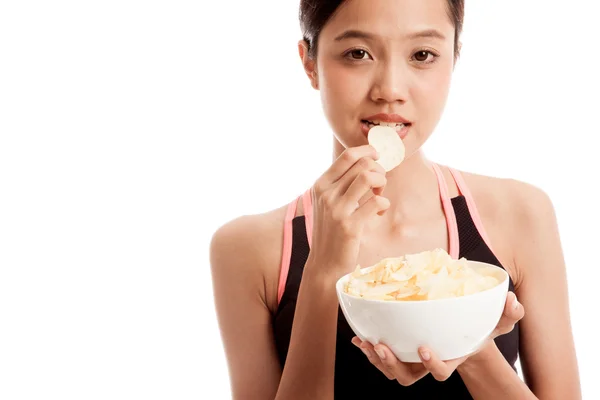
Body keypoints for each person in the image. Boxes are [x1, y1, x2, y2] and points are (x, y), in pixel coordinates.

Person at [209, 0, 581, 398]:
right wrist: (323, 271)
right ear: (310, 63)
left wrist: (469, 347)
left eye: (422, 54)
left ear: (453, 58)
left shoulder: (521, 215)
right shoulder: (245, 249)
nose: (389, 90)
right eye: (358, 53)